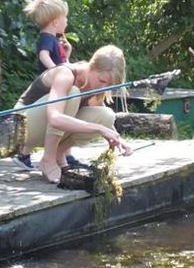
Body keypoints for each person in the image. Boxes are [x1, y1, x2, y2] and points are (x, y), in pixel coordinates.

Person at [15, 44, 134, 184]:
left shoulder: (95, 84)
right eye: (102, 81)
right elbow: (55, 118)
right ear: (92, 66)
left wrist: (116, 138)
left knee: (107, 116)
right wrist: (99, 129)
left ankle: (59, 152)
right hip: (20, 127)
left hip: (43, 129)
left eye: (109, 85)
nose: (104, 87)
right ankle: (49, 159)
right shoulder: (66, 74)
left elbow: (100, 118)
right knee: (73, 94)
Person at [14, 0, 74, 170]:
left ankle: (65, 155)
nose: (67, 21)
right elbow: (43, 56)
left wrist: (67, 53)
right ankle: (24, 153)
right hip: (49, 85)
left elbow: (65, 63)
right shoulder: (47, 38)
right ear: (55, 22)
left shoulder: (54, 40)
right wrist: (57, 71)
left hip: (55, 84)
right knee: (49, 119)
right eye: (65, 18)